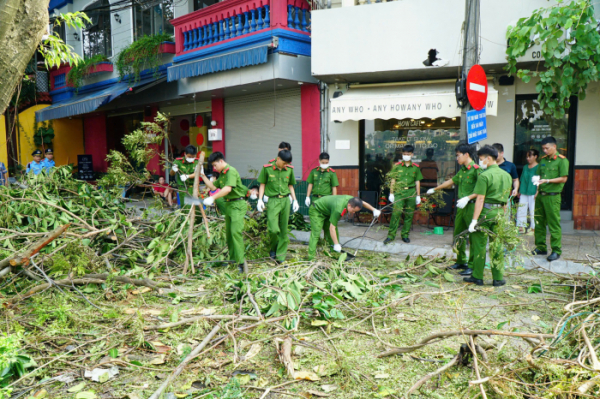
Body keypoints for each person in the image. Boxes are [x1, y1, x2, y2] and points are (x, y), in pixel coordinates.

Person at [427, 143, 481, 274]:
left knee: (473, 236)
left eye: (458, 155)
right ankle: (461, 261)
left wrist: (468, 197)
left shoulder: (476, 169)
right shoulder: (462, 170)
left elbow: (482, 190)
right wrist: (435, 188)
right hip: (461, 208)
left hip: (472, 206)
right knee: (458, 235)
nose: (456, 158)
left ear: (466, 154)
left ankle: (472, 265)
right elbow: (451, 182)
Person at [465, 145, 512, 286]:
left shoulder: (484, 175)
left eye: (481, 159)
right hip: (499, 214)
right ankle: (498, 278)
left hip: (485, 213)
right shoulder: (507, 175)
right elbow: (506, 200)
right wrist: (504, 216)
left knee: (479, 245)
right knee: (497, 245)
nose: (480, 162)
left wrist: (474, 221)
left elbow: (480, 199)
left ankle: (477, 276)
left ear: (489, 158)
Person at [201, 152, 249, 273]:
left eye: (215, 165)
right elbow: (213, 187)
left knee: (235, 233)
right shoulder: (223, 174)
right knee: (229, 234)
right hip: (229, 205)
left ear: (221, 161)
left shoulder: (231, 171)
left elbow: (227, 189)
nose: (214, 168)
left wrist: (213, 198)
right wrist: (202, 175)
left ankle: (241, 264)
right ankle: (233, 260)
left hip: (237, 205)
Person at [256, 150, 299, 264]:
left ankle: (281, 257)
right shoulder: (267, 168)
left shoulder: (289, 170)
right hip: (273, 201)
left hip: (285, 200)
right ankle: (273, 248)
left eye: (287, 164)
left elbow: (290, 185)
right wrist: (260, 199)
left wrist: (294, 200)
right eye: (284, 163)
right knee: (273, 229)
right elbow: (262, 184)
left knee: (284, 229)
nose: (286, 165)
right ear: (278, 159)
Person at [308, 196, 380, 261]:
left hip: (327, 211)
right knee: (316, 234)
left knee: (332, 233)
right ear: (349, 205)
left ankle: (334, 254)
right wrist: (336, 244)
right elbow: (332, 228)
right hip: (317, 210)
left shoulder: (352, 200)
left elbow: (362, 203)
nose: (354, 212)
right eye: (354, 210)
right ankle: (311, 258)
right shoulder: (338, 209)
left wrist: (373, 209)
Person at [532, 136, 569, 262]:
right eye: (543, 149)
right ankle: (541, 247)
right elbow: (538, 177)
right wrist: (536, 191)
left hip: (553, 197)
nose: (545, 151)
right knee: (539, 223)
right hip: (541, 196)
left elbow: (564, 178)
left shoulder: (562, 160)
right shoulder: (542, 160)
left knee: (553, 224)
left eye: (547, 148)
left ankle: (556, 250)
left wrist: (548, 180)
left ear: (554, 147)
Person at [384, 145, 422, 244]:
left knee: (409, 215)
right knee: (396, 213)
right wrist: (391, 193)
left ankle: (405, 235)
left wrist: (418, 195)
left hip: (411, 192)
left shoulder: (416, 167)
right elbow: (393, 180)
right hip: (399, 192)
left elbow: (417, 182)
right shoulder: (396, 166)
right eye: (404, 154)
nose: (406, 156)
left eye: (408, 154)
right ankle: (391, 235)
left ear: (412, 155)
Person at [517, 149, 539, 234]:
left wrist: (537, 191)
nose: (528, 158)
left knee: (533, 210)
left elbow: (539, 181)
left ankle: (533, 228)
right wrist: (519, 190)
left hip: (533, 191)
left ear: (535, 156)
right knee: (521, 209)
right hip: (523, 191)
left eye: (530, 156)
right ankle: (521, 227)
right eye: (527, 156)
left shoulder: (538, 167)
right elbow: (522, 179)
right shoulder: (525, 167)